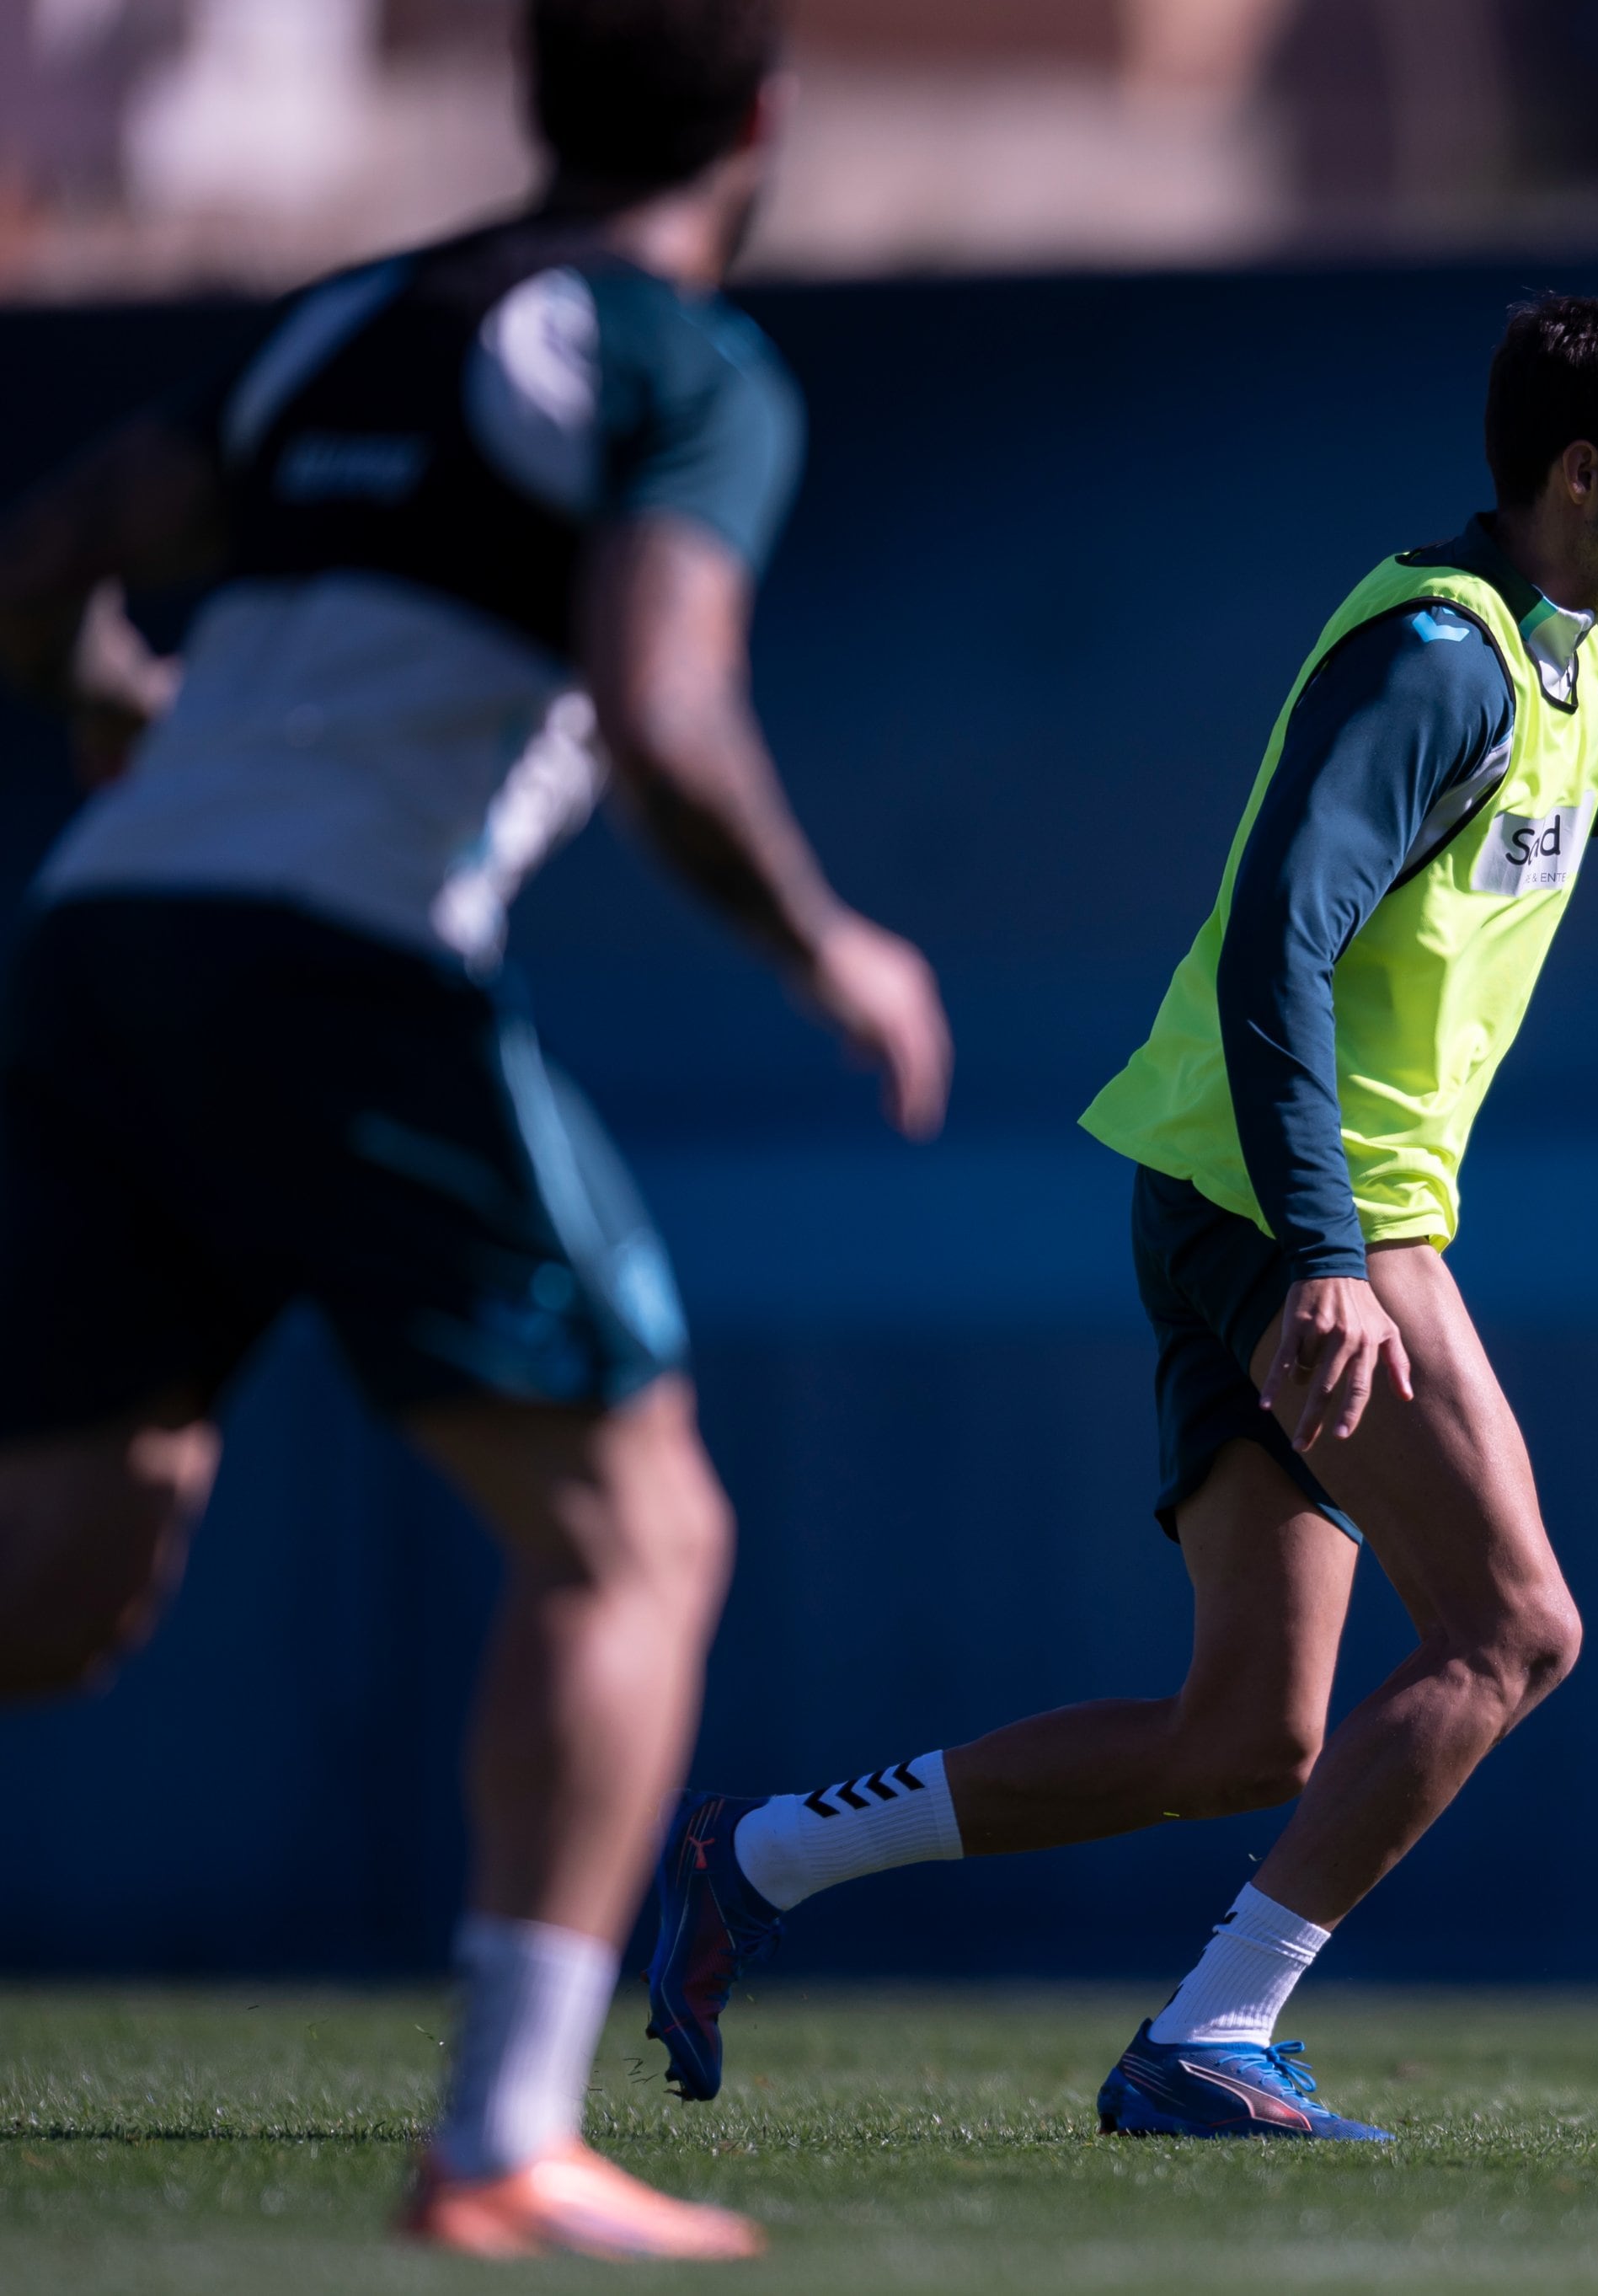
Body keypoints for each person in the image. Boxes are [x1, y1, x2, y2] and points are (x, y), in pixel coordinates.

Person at [643, 294, 1598, 2141]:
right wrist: (1331, 1257)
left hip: (1241, 1196)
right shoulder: (1438, 657)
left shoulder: (1567, 657)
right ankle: (1211, 2032)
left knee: (1241, 1735)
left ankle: (753, 1856)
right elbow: (1280, 934)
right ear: (1578, 476)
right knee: (1512, 1630)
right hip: (1300, 1212)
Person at [0, 0, 949, 2259]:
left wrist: (115, 694)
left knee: (49, 1584)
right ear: (763, 124)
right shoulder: (680, 361)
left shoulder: (333, 329)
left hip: (100, 945)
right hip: (337, 963)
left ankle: (509, 2131)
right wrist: (830, 944)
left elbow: (42, 562)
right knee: (640, 1530)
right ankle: (509, 2133)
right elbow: (660, 700)